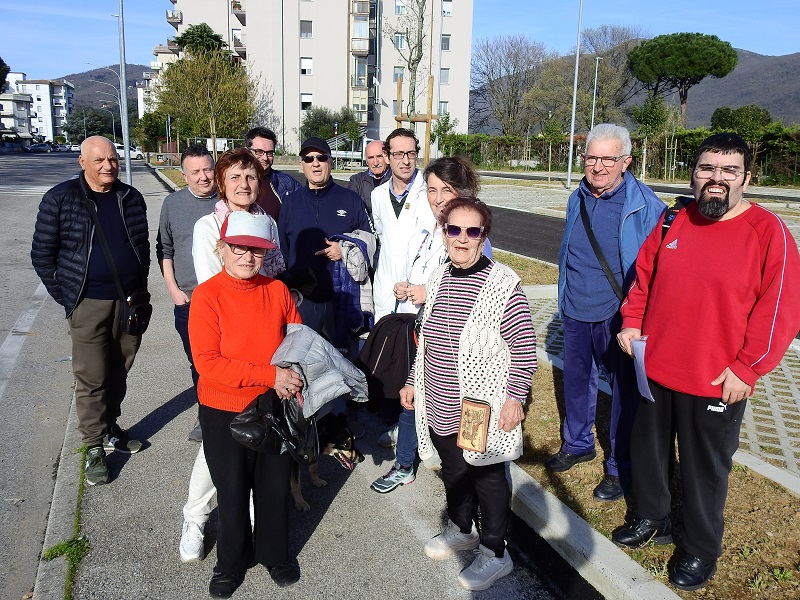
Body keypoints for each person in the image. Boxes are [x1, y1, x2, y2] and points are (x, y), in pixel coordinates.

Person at [613, 133, 800, 591]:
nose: (716, 179)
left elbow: (780, 309)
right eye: (707, 169)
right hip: (655, 365)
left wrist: (748, 367)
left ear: (746, 178)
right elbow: (644, 277)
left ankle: (699, 548)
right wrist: (632, 322)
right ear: (693, 173)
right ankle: (652, 518)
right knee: (649, 454)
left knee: (704, 470)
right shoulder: (672, 219)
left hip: (717, 378)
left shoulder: (767, 231)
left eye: (729, 170)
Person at [399, 199, 537, 591]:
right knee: (454, 472)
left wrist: (514, 397)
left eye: (472, 231)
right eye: (453, 229)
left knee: (488, 478)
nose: (462, 238)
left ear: (484, 236)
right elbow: (426, 339)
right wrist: (412, 380)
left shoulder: (503, 283)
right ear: (444, 233)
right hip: (437, 401)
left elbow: (524, 347)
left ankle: (496, 552)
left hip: (479, 409)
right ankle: (462, 528)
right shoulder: (440, 275)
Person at [545, 123, 665, 503]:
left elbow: (654, 271)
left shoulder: (646, 206)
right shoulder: (576, 196)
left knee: (623, 395)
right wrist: (564, 298)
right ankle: (578, 443)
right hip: (576, 309)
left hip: (619, 316)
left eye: (607, 159)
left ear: (626, 161)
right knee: (577, 383)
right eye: (590, 158)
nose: (596, 166)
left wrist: (639, 319)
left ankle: (618, 466)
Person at [189, 211, 304, 597]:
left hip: (273, 407)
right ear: (222, 249)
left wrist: (296, 377)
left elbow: (297, 340)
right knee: (233, 490)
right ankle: (231, 563)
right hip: (224, 409)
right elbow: (207, 362)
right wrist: (270, 375)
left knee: (273, 486)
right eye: (238, 247)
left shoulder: (277, 290)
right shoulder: (207, 296)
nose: (247, 256)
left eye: (257, 250)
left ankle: (276, 554)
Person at [180, 148, 283, 565]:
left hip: (268, 358)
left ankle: (256, 523)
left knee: (259, 454)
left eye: (252, 177)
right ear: (222, 182)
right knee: (218, 454)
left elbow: (274, 272)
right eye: (236, 176)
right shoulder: (209, 227)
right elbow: (219, 288)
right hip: (230, 358)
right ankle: (196, 518)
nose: (244, 184)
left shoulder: (269, 222)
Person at [31, 135, 150, 486]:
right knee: (92, 378)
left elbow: (140, 246)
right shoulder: (60, 198)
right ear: (82, 163)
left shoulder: (130, 197)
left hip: (129, 302)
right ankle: (93, 445)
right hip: (87, 304)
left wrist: (139, 288)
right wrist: (70, 298)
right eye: (98, 160)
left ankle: (111, 426)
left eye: (112, 159)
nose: (107, 166)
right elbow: (42, 255)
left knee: (118, 371)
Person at [370, 156, 487, 492]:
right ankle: (408, 463)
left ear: (463, 191)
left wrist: (426, 291)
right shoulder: (433, 226)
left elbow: (476, 286)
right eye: (431, 189)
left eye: (446, 190)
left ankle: (476, 495)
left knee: (468, 421)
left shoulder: (470, 230)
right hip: (428, 330)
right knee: (413, 395)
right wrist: (412, 288)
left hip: (461, 344)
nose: (437, 198)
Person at [278, 136, 371, 344]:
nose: (315, 163)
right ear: (302, 165)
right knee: (303, 363)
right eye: (309, 159)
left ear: (330, 161)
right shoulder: (291, 203)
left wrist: (344, 249)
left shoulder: (350, 200)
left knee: (342, 362)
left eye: (321, 157)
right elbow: (282, 253)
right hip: (302, 300)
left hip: (342, 299)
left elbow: (369, 242)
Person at [156, 144, 217, 442]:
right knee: (199, 364)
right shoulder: (172, 204)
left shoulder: (228, 201)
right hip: (189, 301)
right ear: (184, 175)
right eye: (195, 172)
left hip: (224, 301)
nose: (204, 177)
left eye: (208, 169)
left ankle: (226, 415)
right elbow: (164, 248)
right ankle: (205, 415)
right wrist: (173, 290)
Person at [371, 128, 436, 320]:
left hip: (419, 293)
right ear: (387, 157)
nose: (406, 161)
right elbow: (383, 237)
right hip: (387, 291)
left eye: (411, 154)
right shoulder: (378, 195)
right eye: (398, 154)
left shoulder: (430, 192)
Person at [244, 126, 301, 221]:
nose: (265, 158)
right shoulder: (235, 182)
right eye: (259, 152)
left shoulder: (288, 183)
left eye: (269, 153)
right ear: (247, 151)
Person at [348, 139, 390, 225]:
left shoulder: (396, 180)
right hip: (365, 232)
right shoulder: (357, 181)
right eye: (371, 158)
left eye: (379, 156)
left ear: (387, 157)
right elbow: (350, 210)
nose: (375, 162)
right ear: (366, 161)